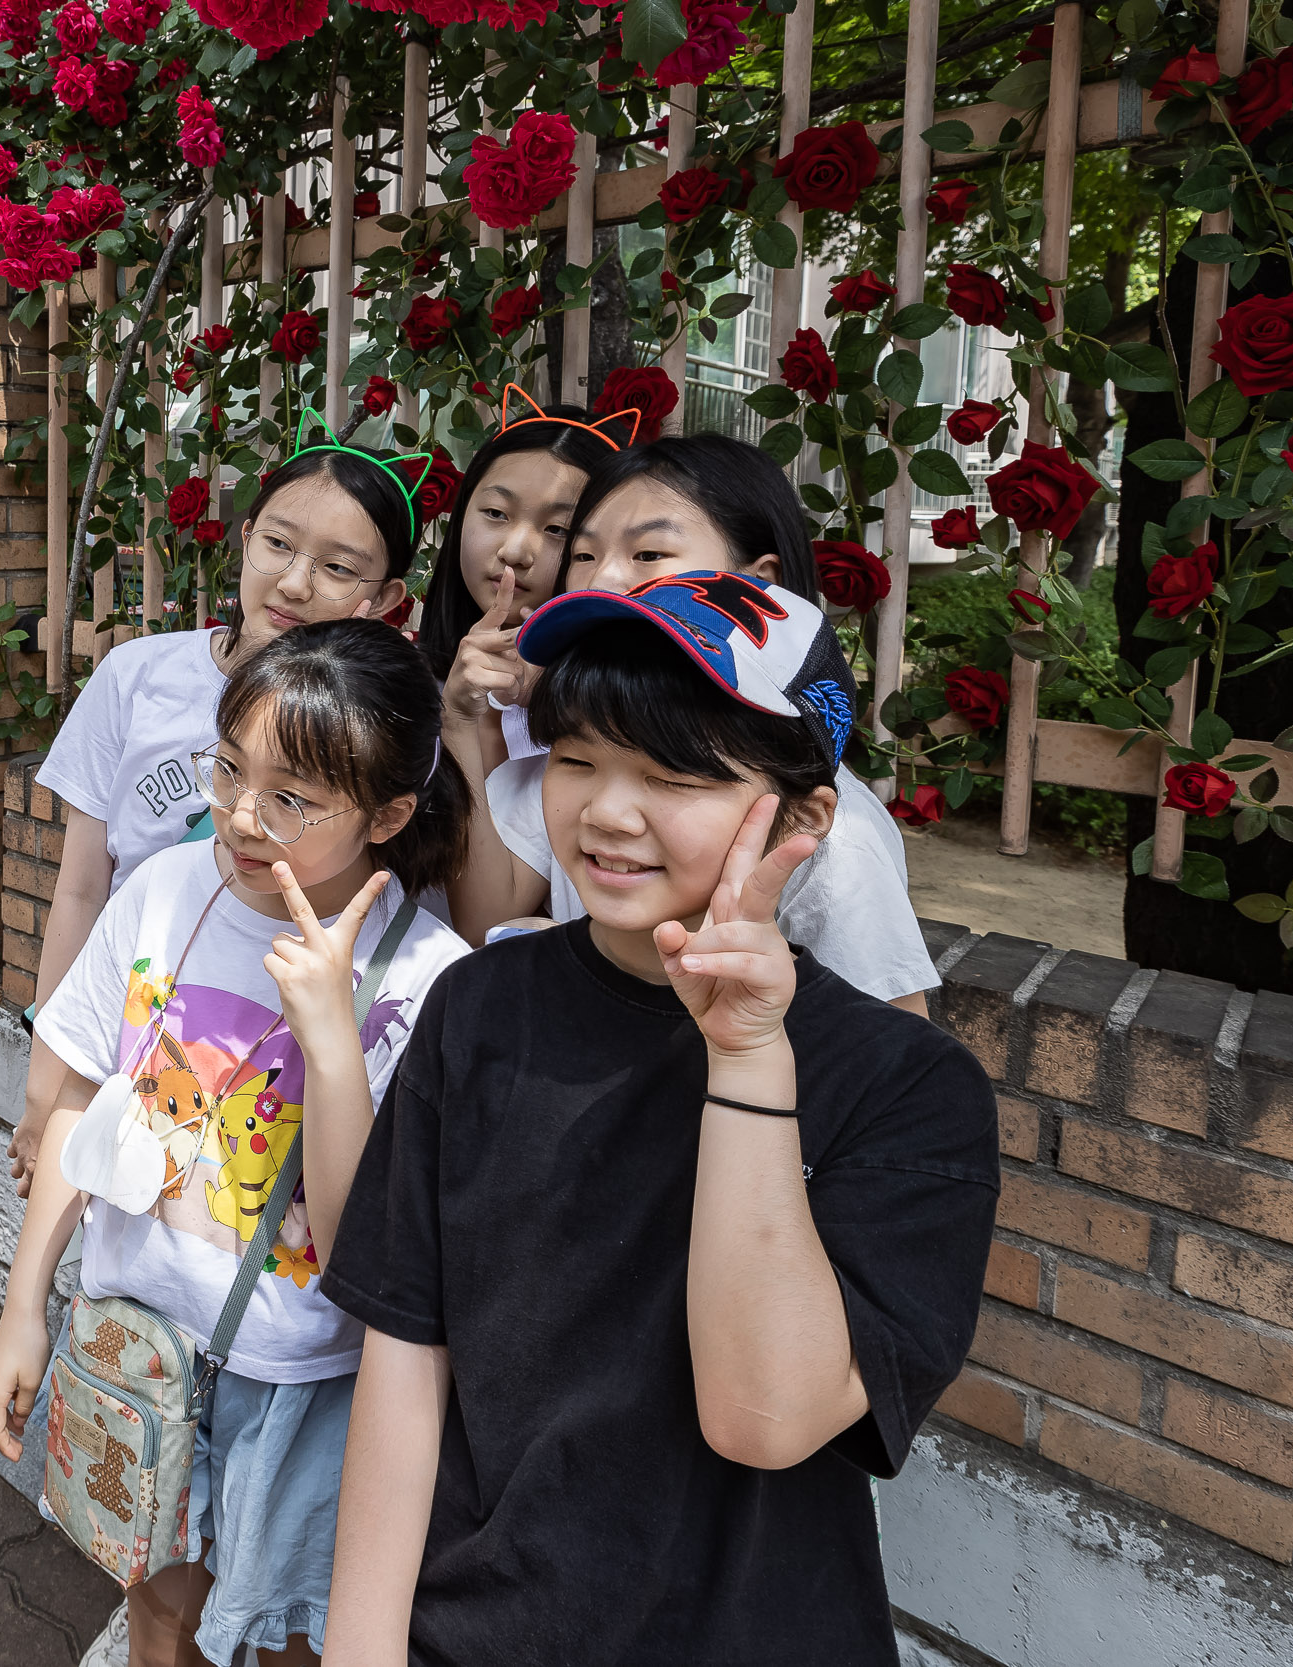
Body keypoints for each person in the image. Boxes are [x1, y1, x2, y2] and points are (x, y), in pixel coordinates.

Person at [320, 575, 999, 1667]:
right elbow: (406, 1343)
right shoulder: (482, 1007)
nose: (606, 811)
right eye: (578, 757)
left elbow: (765, 1414)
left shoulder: (906, 1087)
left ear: (803, 815)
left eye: (673, 773)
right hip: (472, 1627)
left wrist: (744, 1054)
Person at [0, 619, 470, 1667]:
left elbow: (355, 1257)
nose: (243, 816)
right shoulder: (162, 890)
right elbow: (77, 1096)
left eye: (292, 797)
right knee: (158, 1615)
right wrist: (26, 1303)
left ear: (388, 812)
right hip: (136, 1344)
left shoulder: (433, 981)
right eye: (229, 766)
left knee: (284, 1642)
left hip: (299, 1390)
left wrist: (331, 1036)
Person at [8, 419, 434, 1195]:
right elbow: (79, 887)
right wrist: (47, 1088)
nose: (296, 583)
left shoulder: (396, 736)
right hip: (128, 1046)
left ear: (387, 598)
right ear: (245, 540)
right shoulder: (137, 677)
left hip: (281, 1103)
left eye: (338, 566)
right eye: (278, 544)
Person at [449, 434, 940, 1012]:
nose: (601, 579)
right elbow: (489, 921)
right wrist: (462, 723)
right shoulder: (573, 763)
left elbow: (894, 1050)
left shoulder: (825, 837)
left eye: (648, 554)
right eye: (582, 555)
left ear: (762, 582)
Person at [415, 390, 636, 940]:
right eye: (495, 513)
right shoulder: (403, 682)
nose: (516, 549)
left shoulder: (610, 717)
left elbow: (488, 926)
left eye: (557, 529)